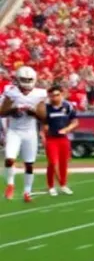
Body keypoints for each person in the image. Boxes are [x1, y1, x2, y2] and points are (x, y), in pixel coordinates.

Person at [0, 66, 47, 202]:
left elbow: (43, 117)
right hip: (14, 131)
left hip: (30, 132)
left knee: (29, 164)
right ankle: (10, 184)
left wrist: (33, 112)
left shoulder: (39, 94)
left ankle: (27, 191)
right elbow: (2, 112)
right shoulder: (11, 93)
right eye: (24, 80)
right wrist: (13, 109)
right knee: (9, 158)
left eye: (28, 80)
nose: (26, 83)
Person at [42, 84, 78, 195]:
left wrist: (67, 129)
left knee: (63, 163)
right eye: (52, 96)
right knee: (53, 163)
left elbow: (75, 121)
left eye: (57, 95)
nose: (55, 98)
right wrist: (44, 133)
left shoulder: (68, 106)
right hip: (51, 139)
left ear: (61, 94)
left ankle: (63, 185)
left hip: (63, 138)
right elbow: (43, 124)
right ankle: (52, 186)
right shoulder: (46, 108)